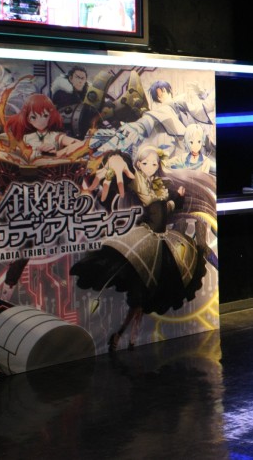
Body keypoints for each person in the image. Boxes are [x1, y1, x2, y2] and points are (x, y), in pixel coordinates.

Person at [70, 145, 211, 350]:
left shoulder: (159, 186)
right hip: (145, 240)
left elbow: (167, 207)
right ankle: (124, 335)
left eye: (154, 163)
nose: (151, 167)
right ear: (138, 164)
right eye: (146, 163)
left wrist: (178, 197)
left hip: (163, 242)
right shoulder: (138, 180)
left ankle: (130, 337)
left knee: (146, 297)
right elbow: (127, 172)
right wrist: (117, 159)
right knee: (139, 294)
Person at [4, 92, 85, 162]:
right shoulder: (26, 138)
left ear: (51, 116)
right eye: (33, 117)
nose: (40, 121)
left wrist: (56, 154)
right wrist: (38, 152)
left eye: (45, 116)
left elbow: (81, 145)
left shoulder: (55, 136)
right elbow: (19, 155)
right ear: (28, 120)